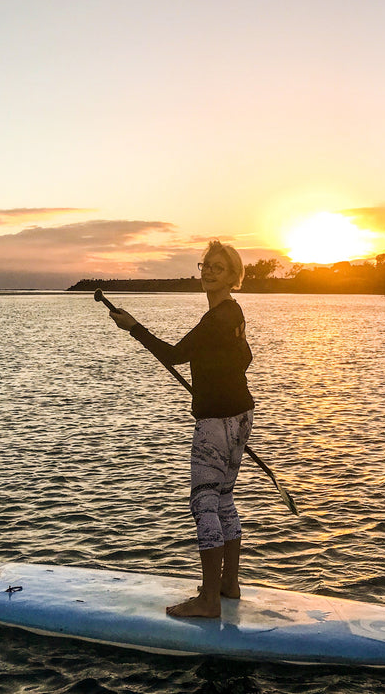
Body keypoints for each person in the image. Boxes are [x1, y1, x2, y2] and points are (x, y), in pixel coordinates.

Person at [108, 240, 255, 618]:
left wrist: (133, 327)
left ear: (233, 276)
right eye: (205, 265)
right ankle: (228, 585)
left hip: (217, 420)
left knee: (204, 501)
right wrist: (215, 370)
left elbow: (173, 354)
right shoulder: (234, 314)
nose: (208, 272)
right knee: (224, 499)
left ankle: (208, 600)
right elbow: (246, 358)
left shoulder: (216, 318)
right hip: (241, 415)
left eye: (217, 268)